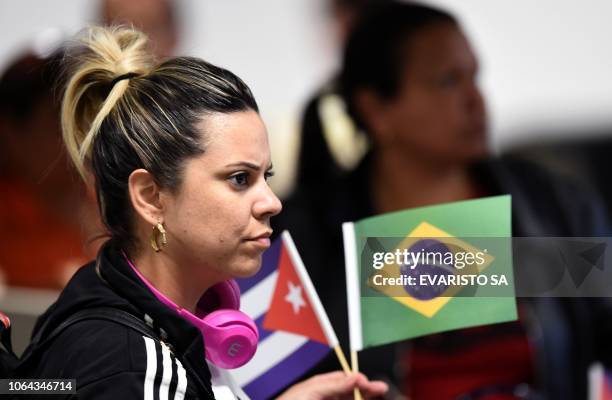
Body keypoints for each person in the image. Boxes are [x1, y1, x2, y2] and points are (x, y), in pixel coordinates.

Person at [15, 26, 388, 399]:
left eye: (265, 176)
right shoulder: (133, 367)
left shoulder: (113, 302)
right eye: (240, 179)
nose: (272, 202)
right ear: (151, 197)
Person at [273, 2, 612, 399]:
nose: (476, 99)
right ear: (376, 109)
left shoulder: (555, 206)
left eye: (474, 77)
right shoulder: (309, 234)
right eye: (448, 81)